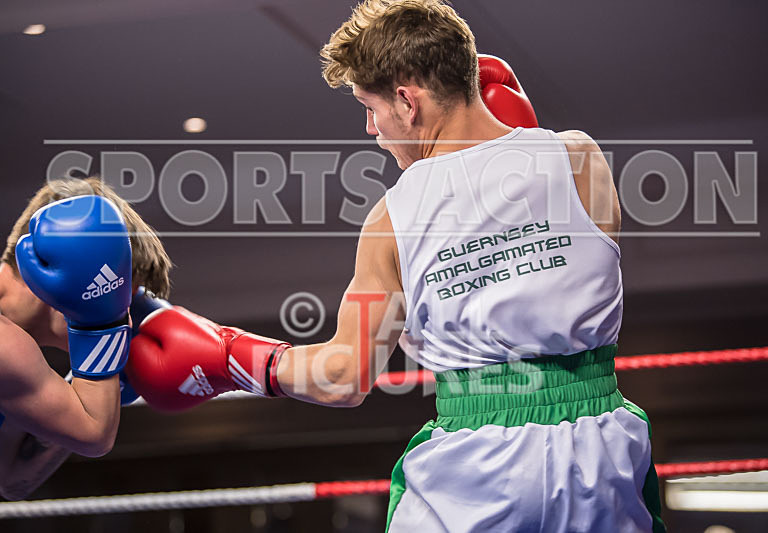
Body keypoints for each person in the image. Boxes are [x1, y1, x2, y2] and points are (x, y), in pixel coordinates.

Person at [125, 1, 665, 531]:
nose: (370, 128)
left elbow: (343, 377)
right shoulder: (578, 159)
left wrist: (234, 357)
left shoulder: (392, 220)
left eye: (371, 106)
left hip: (478, 468)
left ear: (407, 101)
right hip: (604, 454)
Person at [0, 178, 172, 501]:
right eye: (113, 299)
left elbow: (11, 481)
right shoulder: (6, 348)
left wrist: (86, 387)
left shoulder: (14, 368)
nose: (124, 324)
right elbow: (94, 433)